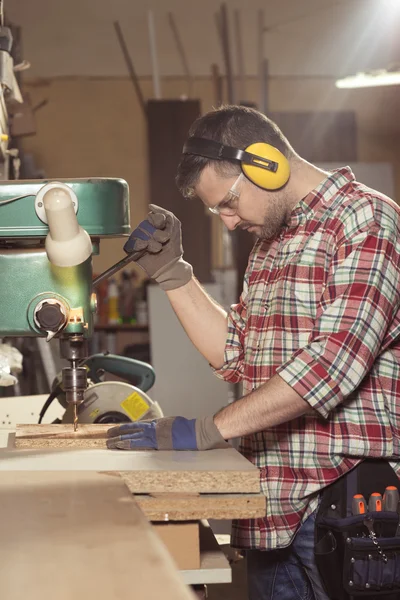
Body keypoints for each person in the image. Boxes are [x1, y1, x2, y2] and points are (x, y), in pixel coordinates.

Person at [107, 105, 400, 600]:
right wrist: (173, 274)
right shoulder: (269, 242)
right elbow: (235, 354)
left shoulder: (366, 220)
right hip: (267, 511)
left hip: (344, 506)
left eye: (228, 202)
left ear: (267, 163)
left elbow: (330, 367)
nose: (226, 222)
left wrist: (204, 430)